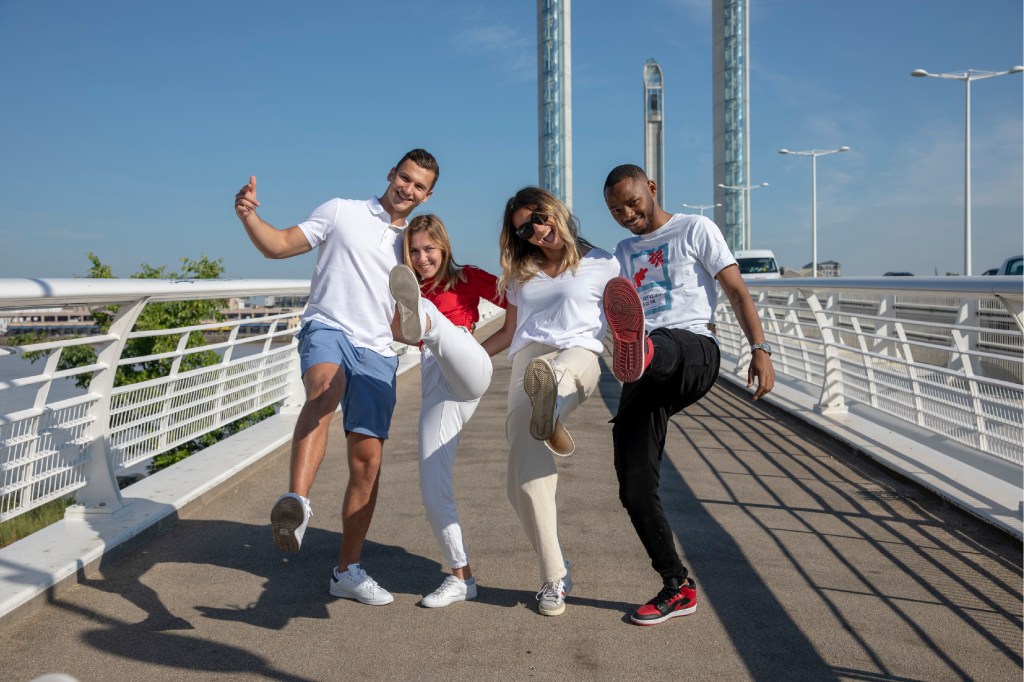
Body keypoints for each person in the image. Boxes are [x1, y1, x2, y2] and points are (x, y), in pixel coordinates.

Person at [233, 149, 439, 606]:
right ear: (391, 174)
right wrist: (248, 216)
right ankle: (297, 506)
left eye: (419, 186)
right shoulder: (340, 211)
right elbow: (279, 245)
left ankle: (347, 570)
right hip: (328, 326)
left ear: (428, 195)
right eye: (404, 178)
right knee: (326, 390)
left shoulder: (413, 246)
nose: (408, 189)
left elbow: (427, 303)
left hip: (378, 351)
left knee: (366, 462)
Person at [601, 164, 776, 626]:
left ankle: (639, 348)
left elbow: (736, 290)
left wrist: (760, 349)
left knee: (666, 345)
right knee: (633, 484)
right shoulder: (621, 252)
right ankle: (676, 586)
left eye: (632, 202)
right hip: (645, 372)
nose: (627, 214)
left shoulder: (695, 229)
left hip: (694, 352)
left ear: (652, 189)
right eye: (616, 210)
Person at [481, 186, 621, 617]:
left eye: (540, 218)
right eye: (525, 228)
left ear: (555, 210)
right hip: (529, 362)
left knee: (562, 375)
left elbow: (625, 323)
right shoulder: (521, 274)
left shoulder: (604, 262)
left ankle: (553, 408)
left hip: (580, 357)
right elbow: (508, 333)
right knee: (520, 480)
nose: (538, 231)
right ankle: (555, 574)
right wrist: (460, 357)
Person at [387, 214, 505, 608]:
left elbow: (519, 306)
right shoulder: (408, 287)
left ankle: (423, 318)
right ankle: (461, 577)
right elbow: (391, 333)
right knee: (431, 482)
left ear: (444, 247)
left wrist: (488, 351)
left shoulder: (468, 277)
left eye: (429, 250)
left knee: (435, 325)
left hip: (469, 363)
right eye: (415, 252)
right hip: (433, 376)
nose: (423, 259)